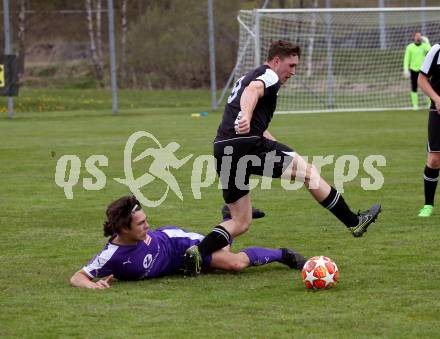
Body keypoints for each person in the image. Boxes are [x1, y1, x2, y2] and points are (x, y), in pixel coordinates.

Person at [184, 40, 381, 276]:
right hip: (248, 144)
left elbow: (256, 118)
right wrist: (246, 115)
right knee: (310, 174)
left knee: (240, 221)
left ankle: (197, 253)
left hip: (223, 148)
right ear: (276, 61)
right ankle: (354, 222)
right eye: (291, 65)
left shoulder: (249, 75)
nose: (293, 72)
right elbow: (252, 92)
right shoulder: (268, 76)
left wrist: (270, 140)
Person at [70, 196, 306, 288]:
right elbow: (77, 277)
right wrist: (94, 285)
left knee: (233, 265)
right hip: (178, 264)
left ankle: (284, 254)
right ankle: (228, 218)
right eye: (141, 224)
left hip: (180, 244)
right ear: (123, 229)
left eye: (146, 220)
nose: (147, 226)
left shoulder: (154, 235)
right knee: (221, 258)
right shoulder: (112, 255)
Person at [417, 43, 440, 217]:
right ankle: (428, 205)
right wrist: (436, 98)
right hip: (438, 111)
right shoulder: (436, 50)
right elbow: (422, 79)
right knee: (434, 160)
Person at [403, 32, 431, 110]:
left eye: (419, 36)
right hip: (414, 70)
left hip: (423, 70)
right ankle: (415, 105)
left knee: (427, 87)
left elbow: (431, 51)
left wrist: (427, 41)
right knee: (414, 87)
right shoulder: (410, 47)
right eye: (416, 36)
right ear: (414, 37)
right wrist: (405, 68)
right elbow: (406, 58)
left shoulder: (424, 46)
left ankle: (430, 104)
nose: (418, 37)